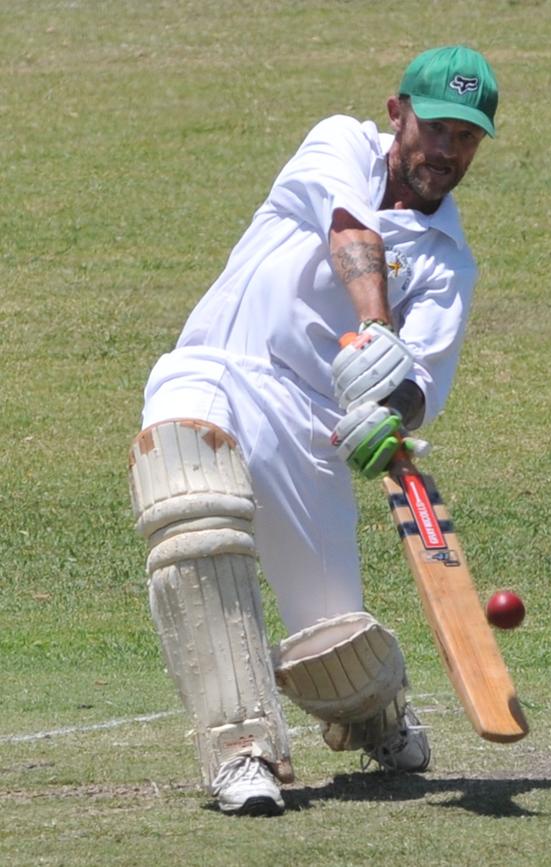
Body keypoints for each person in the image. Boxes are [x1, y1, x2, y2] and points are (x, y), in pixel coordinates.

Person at [128, 44, 498, 817]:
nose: (447, 151)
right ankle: (242, 750)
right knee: (190, 508)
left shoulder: (448, 262)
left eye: (466, 138)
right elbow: (348, 233)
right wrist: (374, 328)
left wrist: (381, 415)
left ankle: (378, 711)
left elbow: (418, 388)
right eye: (435, 129)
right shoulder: (339, 142)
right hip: (215, 367)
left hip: (309, 428)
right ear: (398, 112)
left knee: (341, 655)